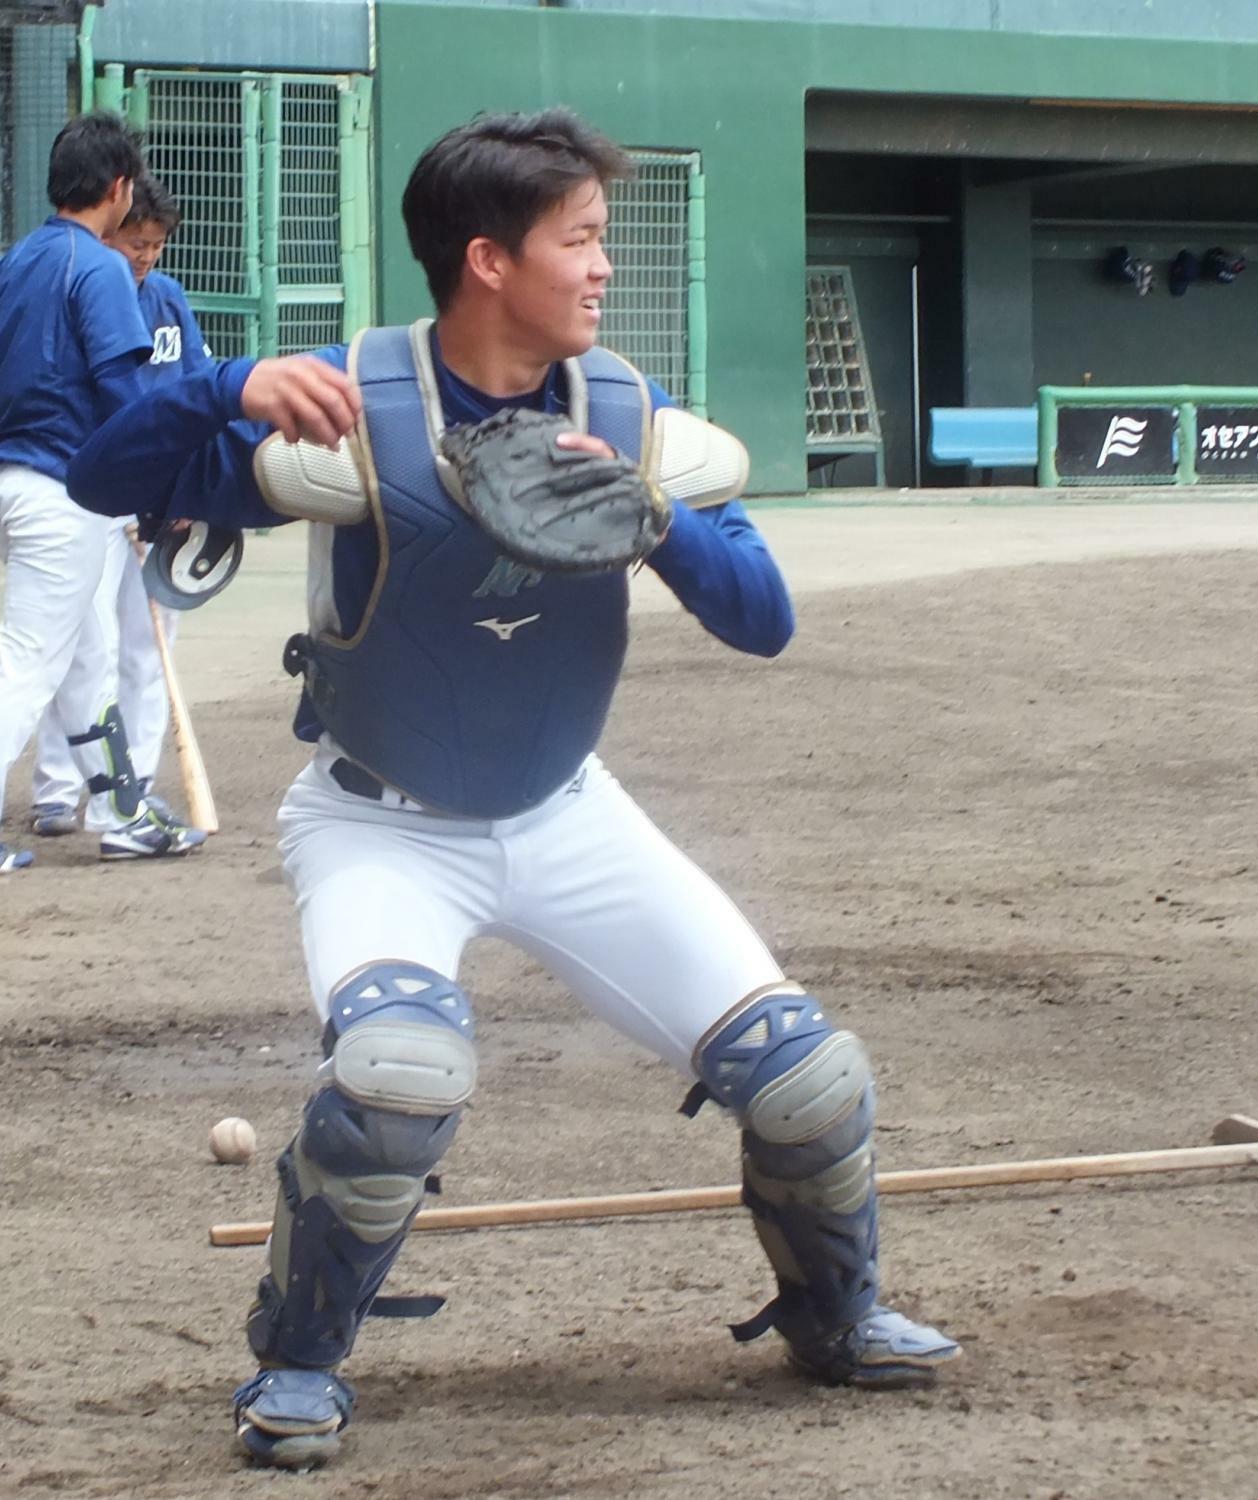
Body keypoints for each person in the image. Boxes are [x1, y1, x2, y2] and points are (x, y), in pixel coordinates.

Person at [66, 108, 960, 1470]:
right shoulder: (349, 415)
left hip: (565, 811)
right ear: (488, 261)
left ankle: (838, 1320)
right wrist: (223, 386)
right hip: (382, 823)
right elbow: (97, 474)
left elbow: (764, 618)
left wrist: (655, 526)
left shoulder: (624, 416)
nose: (604, 268)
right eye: (581, 241)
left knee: (810, 1087)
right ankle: (299, 1367)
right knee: (396, 1078)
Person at [0, 112, 176, 873]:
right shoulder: (100, 265)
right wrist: (153, 480)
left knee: (85, 659)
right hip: (60, 491)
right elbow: (120, 388)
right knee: (28, 665)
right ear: (118, 188)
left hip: (5, 485)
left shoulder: (11, 262)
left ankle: (121, 811)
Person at [26, 175, 209, 856]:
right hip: (91, 497)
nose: (146, 257)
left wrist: (179, 493)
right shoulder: (82, 296)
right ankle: (54, 790)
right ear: (109, 231)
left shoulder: (166, 300)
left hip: (161, 505)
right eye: (137, 242)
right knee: (77, 642)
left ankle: (133, 787)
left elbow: (193, 394)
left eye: (156, 246)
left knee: (147, 651)